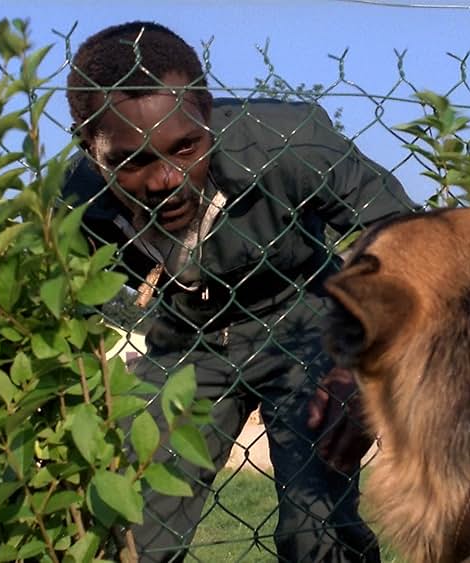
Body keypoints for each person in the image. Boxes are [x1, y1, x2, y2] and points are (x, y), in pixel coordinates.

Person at [61, 20, 418, 563]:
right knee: (134, 531)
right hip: (183, 335)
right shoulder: (75, 204)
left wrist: (365, 363)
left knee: (316, 532)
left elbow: (405, 236)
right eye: (131, 161)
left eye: (186, 147)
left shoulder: (286, 139)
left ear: (206, 115)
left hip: (304, 318)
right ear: (91, 150)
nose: (166, 181)